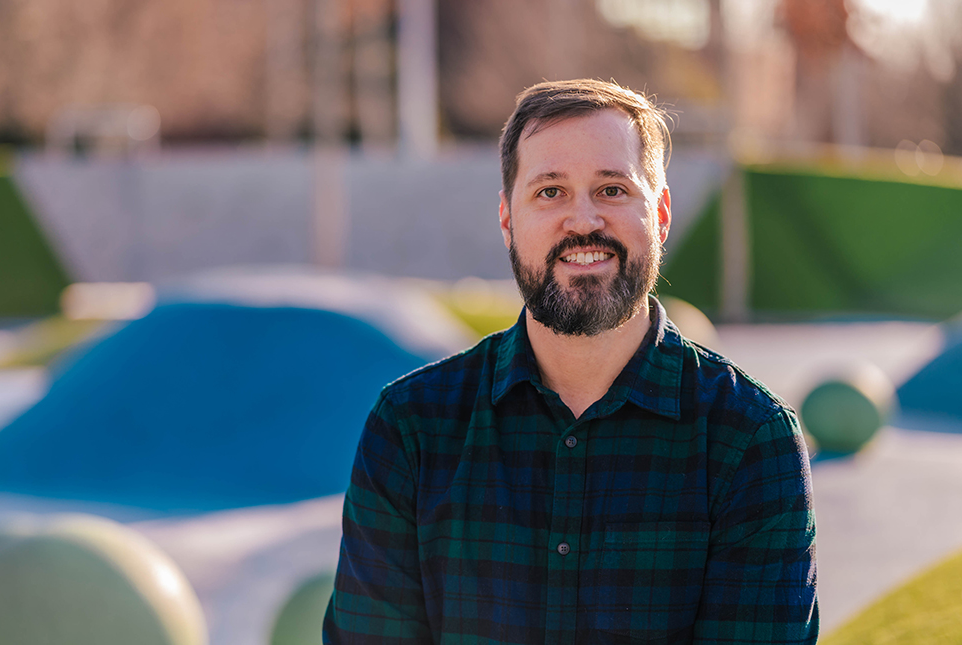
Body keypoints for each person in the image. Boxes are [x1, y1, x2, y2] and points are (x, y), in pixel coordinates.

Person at [323, 79, 818, 645]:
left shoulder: (750, 439)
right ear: (508, 219)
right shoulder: (410, 427)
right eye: (550, 192)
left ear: (659, 214)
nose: (583, 222)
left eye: (611, 190)